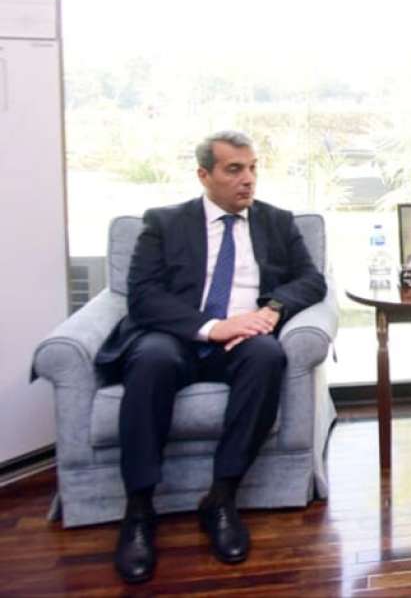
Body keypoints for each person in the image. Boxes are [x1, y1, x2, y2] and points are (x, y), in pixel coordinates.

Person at [95, 131, 327, 584]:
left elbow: (311, 280)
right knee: (151, 361)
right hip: (176, 336)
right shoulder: (164, 223)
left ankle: (221, 497)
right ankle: (139, 509)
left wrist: (271, 310)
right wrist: (212, 326)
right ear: (204, 175)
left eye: (253, 168)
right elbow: (143, 297)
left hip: (243, 339)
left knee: (267, 356)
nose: (248, 179)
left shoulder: (277, 222)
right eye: (234, 169)